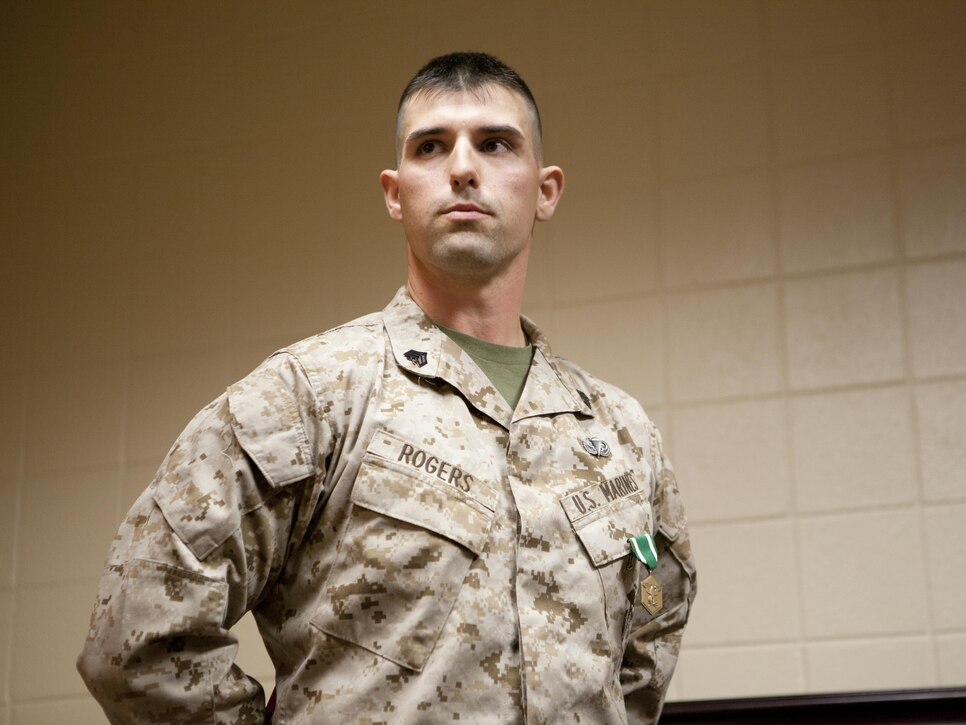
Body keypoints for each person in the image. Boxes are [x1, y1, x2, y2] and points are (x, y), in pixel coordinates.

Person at [77, 52, 696, 724]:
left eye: (495, 143)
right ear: (395, 191)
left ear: (545, 190)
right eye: (431, 147)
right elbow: (137, 640)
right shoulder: (309, 396)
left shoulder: (619, 432)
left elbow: (649, 639)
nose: (463, 167)